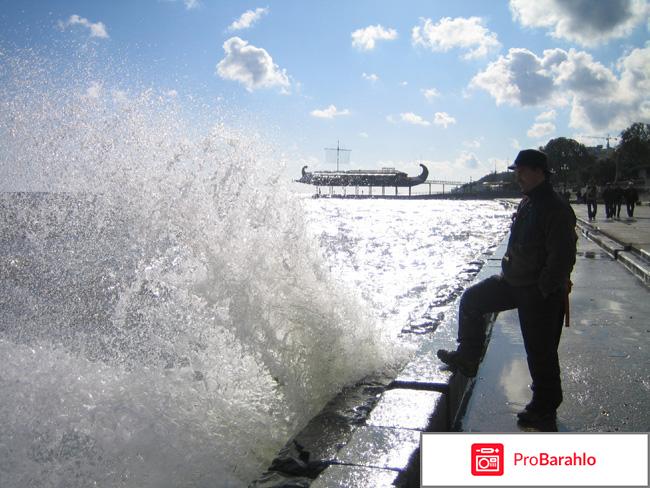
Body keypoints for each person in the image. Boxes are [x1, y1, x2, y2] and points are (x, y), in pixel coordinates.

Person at [437, 149, 577, 429]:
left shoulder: (555, 207)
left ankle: (544, 409)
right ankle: (468, 357)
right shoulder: (529, 201)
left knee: (541, 352)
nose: (518, 176)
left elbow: (562, 257)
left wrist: (544, 288)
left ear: (539, 171)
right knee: (473, 299)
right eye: (516, 171)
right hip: (514, 282)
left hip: (539, 292)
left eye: (522, 171)